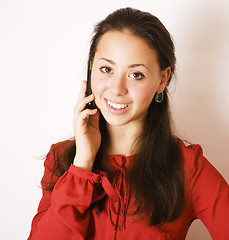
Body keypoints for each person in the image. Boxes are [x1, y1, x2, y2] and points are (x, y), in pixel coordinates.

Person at [28, 7, 229, 240]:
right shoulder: (61, 159)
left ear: (162, 79)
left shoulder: (188, 167)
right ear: (91, 68)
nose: (116, 89)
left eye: (136, 75)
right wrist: (82, 164)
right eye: (106, 69)